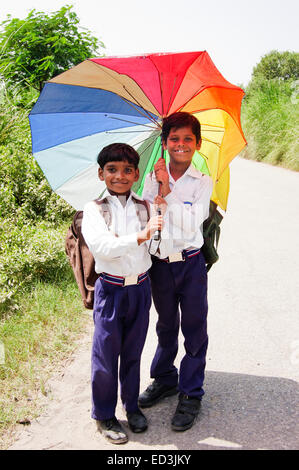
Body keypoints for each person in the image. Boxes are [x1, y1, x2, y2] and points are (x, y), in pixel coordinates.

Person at [82, 143, 163, 444]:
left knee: (132, 352)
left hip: (140, 288)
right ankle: (104, 414)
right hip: (111, 290)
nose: (120, 175)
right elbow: (103, 248)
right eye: (112, 170)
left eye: (128, 170)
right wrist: (139, 236)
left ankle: (131, 406)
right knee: (105, 354)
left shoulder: (144, 206)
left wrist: (159, 222)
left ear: (137, 173)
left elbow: (154, 249)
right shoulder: (94, 209)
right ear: (101, 173)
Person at [138, 112, 213, 432]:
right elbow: (144, 214)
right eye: (174, 139)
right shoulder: (152, 176)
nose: (180, 145)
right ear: (165, 143)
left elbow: (193, 221)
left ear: (197, 143)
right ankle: (166, 378)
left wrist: (167, 191)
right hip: (160, 264)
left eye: (187, 139)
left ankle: (191, 392)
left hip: (191, 262)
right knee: (166, 324)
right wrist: (155, 194)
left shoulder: (202, 181)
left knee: (194, 326)